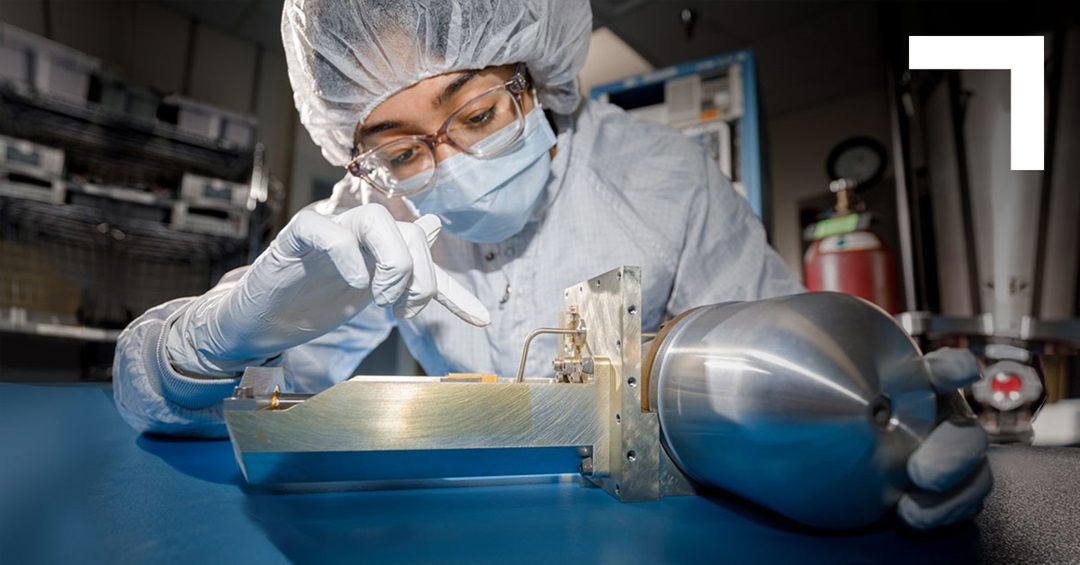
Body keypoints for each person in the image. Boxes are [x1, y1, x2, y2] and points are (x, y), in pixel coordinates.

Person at [112, 0, 990, 530]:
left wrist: (887, 421)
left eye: (478, 112)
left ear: (531, 74)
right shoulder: (377, 216)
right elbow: (153, 402)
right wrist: (218, 337)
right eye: (403, 148)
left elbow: (796, 370)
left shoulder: (661, 181)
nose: (447, 160)